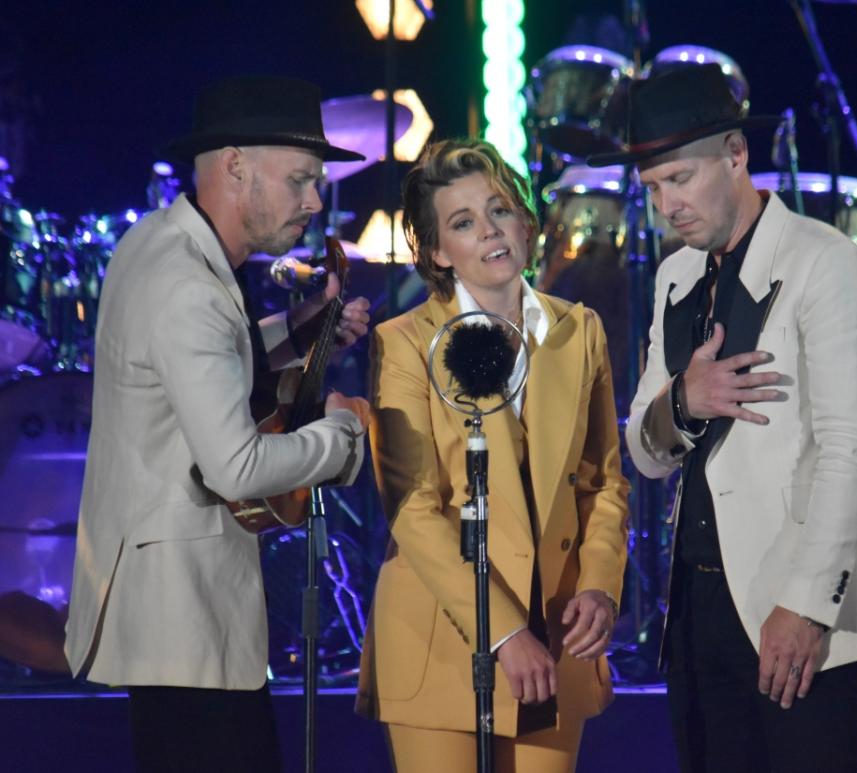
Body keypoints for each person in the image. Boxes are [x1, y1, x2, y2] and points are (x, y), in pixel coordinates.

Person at [588, 64, 857, 772]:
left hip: (794, 602)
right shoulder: (674, 276)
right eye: (651, 189)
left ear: (735, 155)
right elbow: (643, 449)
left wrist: (805, 605)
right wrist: (683, 401)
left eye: (679, 179)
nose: (666, 205)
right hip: (699, 607)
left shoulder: (823, 262)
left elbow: (849, 449)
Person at [64, 75, 372, 773]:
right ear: (236, 167)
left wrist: (297, 330)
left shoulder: (157, 242)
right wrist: (344, 436)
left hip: (160, 610)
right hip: (185, 620)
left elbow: (196, 361)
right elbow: (235, 468)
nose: (314, 202)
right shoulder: (189, 285)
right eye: (299, 180)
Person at [355, 138, 629, 772]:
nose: (489, 231)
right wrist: (503, 632)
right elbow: (413, 508)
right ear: (436, 253)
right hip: (443, 640)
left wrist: (599, 587)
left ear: (526, 220)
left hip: (558, 637)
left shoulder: (578, 330)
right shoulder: (405, 343)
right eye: (462, 223)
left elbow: (602, 483)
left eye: (499, 210)